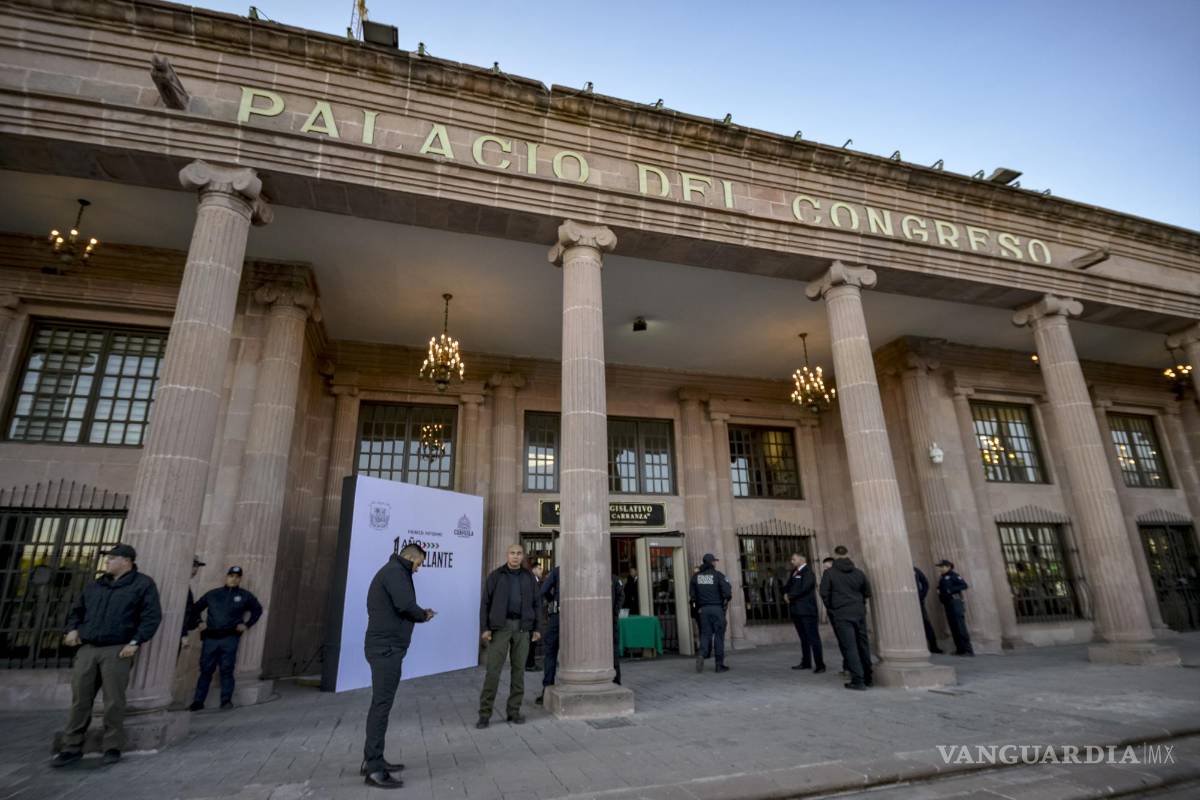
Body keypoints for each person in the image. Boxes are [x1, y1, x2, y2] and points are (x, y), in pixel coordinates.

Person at [51, 543, 162, 768]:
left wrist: (135, 641)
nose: (107, 562)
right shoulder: (96, 585)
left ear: (126, 561)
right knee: (80, 699)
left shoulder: (142, 584)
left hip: (118, 648)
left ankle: (112, 745)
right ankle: (71, 745)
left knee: (113, 700)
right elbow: (77, 610)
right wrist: (72, 628)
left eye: (112, 558)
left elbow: (151, 616)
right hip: (88, 648)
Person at [361, 543, 435, 790]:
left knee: (380, 704)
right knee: (381, 706)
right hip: (386, 649)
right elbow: (404, 604)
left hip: (386, 647)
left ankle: (373, 759)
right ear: (411, 558)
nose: (418, 569)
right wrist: (423, 615)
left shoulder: (394, 570)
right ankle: (373, 768)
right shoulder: (395, 572)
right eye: (419, 564)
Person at [477, 544, 541, 728]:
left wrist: (537, 629)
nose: (515, 556)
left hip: (523, 628)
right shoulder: (496, 576)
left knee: (519, 671)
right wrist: (485, 628)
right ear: (507, 555)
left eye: (519, 553)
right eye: (512, 553)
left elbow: (537, 603)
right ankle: (485, 714)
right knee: (493, 671)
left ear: (523, 557)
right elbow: (485, 604)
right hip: (500, 628)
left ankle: (513, 711)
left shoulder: (529, 577)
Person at [188, 566, 263, 712]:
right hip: (211, 638)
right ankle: (198, 701)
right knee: (205, 670)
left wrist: (247, 625)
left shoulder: (244, 595)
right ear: (226, 577)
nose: (233, 579)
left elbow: (257, 610)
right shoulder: (213, 594)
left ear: (240, 579)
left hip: (230, 638)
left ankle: (226, 700)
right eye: (231, 576)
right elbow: (195, 609)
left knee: (227, 669)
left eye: (237, 576)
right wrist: (199, 622)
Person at [819, 545, 873, 690]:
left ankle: (858, 680)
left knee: (850, 647)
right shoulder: (858, 573)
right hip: (859, 612)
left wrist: (833, 608)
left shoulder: (829, 573)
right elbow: (867, 591)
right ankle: (868, 677)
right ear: (848, 554)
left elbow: (824, 593)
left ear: (835, 555)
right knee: (863, 645)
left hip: (842, 613)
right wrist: (860, 604)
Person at [689, 553, 731, 673]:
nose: (715, 563)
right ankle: (719, 664)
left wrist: (698, 608)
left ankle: (702, 654)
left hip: (703, 610)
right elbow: (727, 593)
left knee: (705, 635)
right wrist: (724, 601)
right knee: (719, 636)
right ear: (711, 563)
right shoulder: (718, 575)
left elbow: (692, 596)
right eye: (714, 561)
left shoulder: (696, 577)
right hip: (717, 609)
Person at [784, 553, 824, 673]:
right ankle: (806, 662)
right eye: (791, 559)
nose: (792, 561)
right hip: (796, 610)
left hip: (807, 610)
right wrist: (785, 593)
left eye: (794, 559)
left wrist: (790, 596)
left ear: (802, 559)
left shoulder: (808, 572)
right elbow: (788, 585)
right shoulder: (794, 572)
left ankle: (820, 665)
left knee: (813, 638)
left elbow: (805, 588)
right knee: (803, 638)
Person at [935, 560, 974, 656]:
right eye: (939, 566)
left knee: (960, 627)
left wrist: (950, 590)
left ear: (948, 567)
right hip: (948, 604)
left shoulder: (954, 575)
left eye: (942, 566)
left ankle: (968, 650)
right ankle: (960, 649)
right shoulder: (942, 578)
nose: (940, 568)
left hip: (955, 602)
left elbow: (964, 585)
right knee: (954, 627)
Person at [535, 564, 560, 706]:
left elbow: (543, 590)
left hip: (557, 616)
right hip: (578, 617)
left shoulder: (557, 571)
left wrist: (552, 600)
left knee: (550, 652)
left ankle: (547, 688)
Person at [820, 556, 848, 676]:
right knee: (844, 642)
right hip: (844, 612)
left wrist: (832, 608)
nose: (826, 570)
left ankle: (851, 669)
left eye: (827, 567)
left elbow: (824, 594)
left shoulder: (835, 577)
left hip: (839, 613)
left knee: (847, 643)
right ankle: (848, 667)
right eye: (825, 568)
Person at [914, 566, 944, 654]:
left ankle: (933, 646)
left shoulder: (915, 570)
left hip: (917, 601)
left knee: (926, 622)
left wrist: (921, 596)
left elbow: (925, 583)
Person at [181, 555, 205, 651]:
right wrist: (183, 634)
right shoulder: (180, 587)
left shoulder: (185, 586)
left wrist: (198, 621)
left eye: (197, 566)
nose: (196, 569)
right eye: (194, 565)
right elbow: (182, 612)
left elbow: (190, 609)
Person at [525, 560, 544, 673]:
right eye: (540, 568)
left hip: (532, 616)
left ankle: (529, 663)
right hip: (531, 617)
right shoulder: (531, 581)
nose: (542, 571)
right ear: (534, 569)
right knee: (531, 641)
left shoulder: (535, 581)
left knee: (532, 641)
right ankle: (529, 664)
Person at [612, 574, 624, 685]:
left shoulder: (615, 579)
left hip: (612, 621)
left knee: (614, 651)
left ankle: (616, 680)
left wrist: (615, 613)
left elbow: (621, 596)